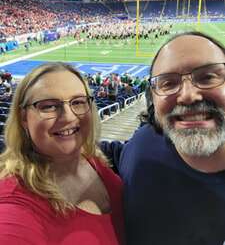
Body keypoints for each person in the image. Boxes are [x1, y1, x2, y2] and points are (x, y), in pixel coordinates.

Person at [101, 31, 225, 245]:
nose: (187, 95)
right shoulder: (149, 137)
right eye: (168, 83)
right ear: (153, 99)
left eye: (207, 77)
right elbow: (117, 155)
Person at [0, 62, 125, 245]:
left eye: (78, 102)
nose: (68, 116)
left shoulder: (89, 156)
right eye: (49, 106)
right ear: (24, 118)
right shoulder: (15, 204)